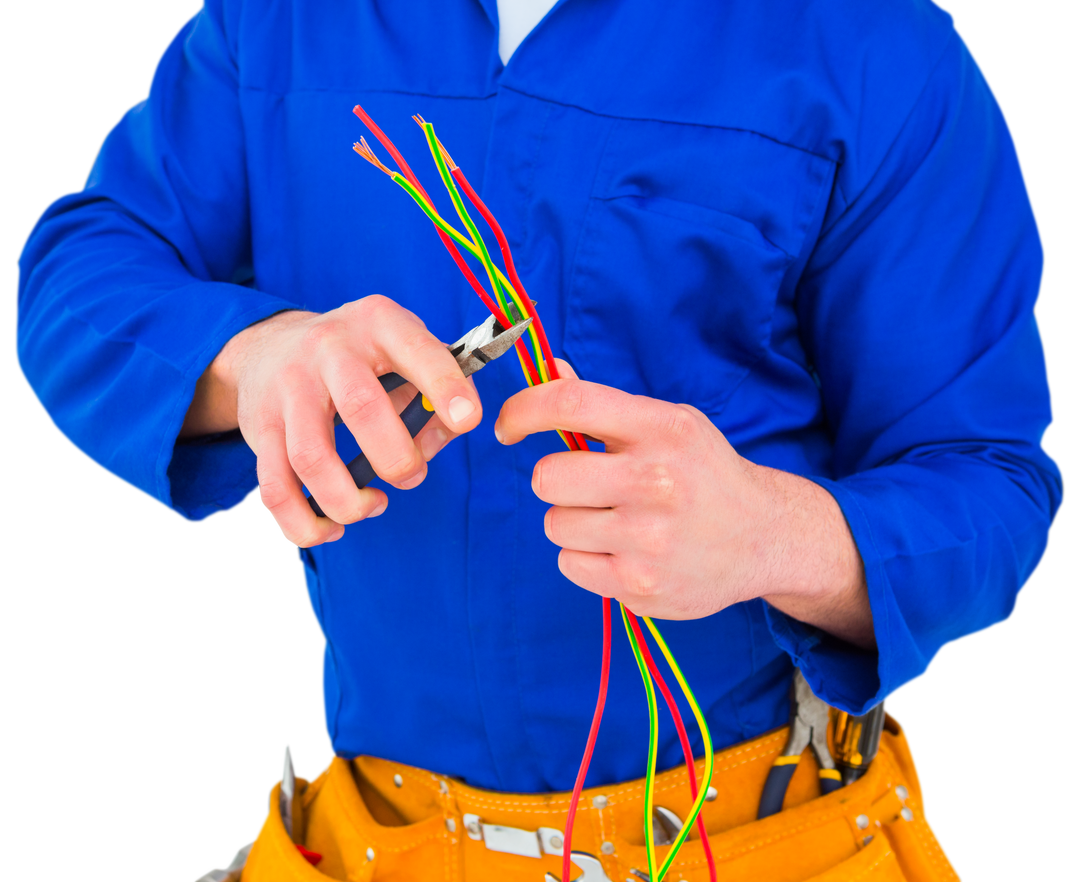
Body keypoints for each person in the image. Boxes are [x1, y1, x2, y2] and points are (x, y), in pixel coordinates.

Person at [13, 1, 1061, 879]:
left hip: (756, 840)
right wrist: (254, 358)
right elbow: (77, 274)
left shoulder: (875, 42)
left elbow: (991, 480)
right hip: (374, 840)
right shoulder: (274, 19)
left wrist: (774, 536)